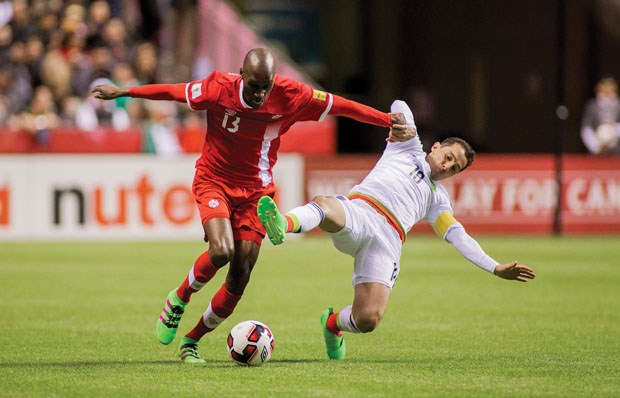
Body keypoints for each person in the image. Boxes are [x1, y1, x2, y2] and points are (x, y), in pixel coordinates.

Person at [91, 48, 409, 364]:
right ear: (242, 75)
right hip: (214, 180)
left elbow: (338, 105)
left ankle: (191, 341)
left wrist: (384, 120)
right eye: (254, 85)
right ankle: (179, 298)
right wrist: (125, 91)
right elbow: (174, 92)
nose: (260, 94)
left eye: (265, 86)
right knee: (221, 251)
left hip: (257, 194)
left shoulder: (291, 94)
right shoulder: (218, 88)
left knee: (240, 275)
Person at [257, 100, 536, 360]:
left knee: (368, 319)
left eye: (454, 167)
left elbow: (458, 237)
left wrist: (495, 267)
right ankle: (284, 223)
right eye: (448, 156)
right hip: (363, 212)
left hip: (387, 244)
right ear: (436, 147)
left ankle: (331, 323)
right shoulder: (408, 147)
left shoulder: (437, 200)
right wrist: (401, 126)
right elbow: (399, 104)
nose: (447, 166)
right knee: (326, 205)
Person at [580, 76, 620, 155]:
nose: (607, 88)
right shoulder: (592, 105)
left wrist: (613, 131)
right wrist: (595, 146)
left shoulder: (619, 105)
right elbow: (586, 128)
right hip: (598, 149)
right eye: (604, 85)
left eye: (610, 85)